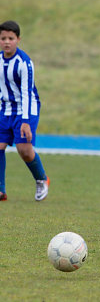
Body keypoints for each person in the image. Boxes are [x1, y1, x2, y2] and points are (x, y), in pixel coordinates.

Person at [0, 20, 50, 202]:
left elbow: (27, 93)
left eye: (11, 38)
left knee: (25, 151)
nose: (7, 42)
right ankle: (0, 190)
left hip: (26, 110)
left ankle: (41, 179)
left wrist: (26, 122)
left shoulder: (24, 63)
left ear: (18, 39)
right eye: (3, 38)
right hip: (5, 109)